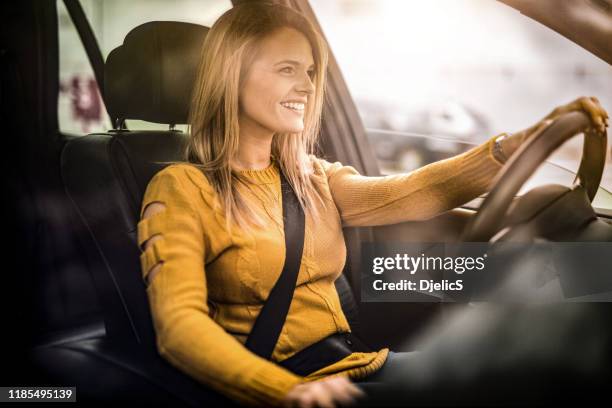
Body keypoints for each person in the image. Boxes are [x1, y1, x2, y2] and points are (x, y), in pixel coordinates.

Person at [136, 2, 609, 408]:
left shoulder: (312, 178)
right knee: (551, 345)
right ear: (231, 74)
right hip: (297, 389)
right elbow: (179, 327)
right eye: (286, 69)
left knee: (568, 297)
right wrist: (285, 392)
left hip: (356, 364)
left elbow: (420, 191)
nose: (306, 85)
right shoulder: (180, 188)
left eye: (309, 71)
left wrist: (517, 145)